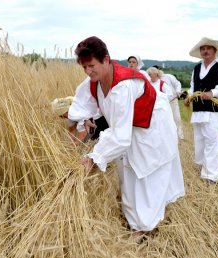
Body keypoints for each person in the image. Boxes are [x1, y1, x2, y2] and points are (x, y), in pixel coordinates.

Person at [68, 36, 185, 240]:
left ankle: (143, 227)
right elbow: (81, 104)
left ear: (106, 59)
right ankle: (135, 219)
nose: (88, 71)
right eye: (84, 67)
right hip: (130, 126)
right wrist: (79, 118)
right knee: (127, 169)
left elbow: (121, 137)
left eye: (92, 65)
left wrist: (94, 158)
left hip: (152, 125)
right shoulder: (93, 81)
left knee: (146, 171)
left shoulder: (123, 85)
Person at [184, 37, 218, 183]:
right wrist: (189, 96)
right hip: (199, 109)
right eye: (202, 49)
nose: (205, 51)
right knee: (199, 139)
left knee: (211, 141)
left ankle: (211, 175)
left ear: (214, 51)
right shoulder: (197, 68)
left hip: (214, 110)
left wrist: (213, 93)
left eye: (208, 48)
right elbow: (193, 87)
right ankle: (202, 167)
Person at [159, 68, 185, 139]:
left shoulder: (168, 76)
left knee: (176, 117)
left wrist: (178, 91)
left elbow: (177, 83)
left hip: (173, 100)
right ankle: (168, 136)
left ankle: (180, 135)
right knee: (164, 119)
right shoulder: (153, 79)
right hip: (162, 103)